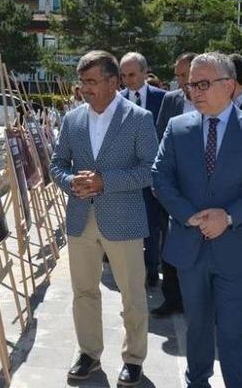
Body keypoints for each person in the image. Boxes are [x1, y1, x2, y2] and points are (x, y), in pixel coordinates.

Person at [152, 52, 242, 388]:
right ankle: (197, 381)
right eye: (191, 84)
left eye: (203, 84)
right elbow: (160, 178)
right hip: (190, 247)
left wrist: (229, 216)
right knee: (196, 326)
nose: (194, 91)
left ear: (229, 85)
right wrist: (188, 215)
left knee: (235, 330)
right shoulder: (178, 128)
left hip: (236, 250)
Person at [50, 50, 158, 386]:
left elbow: (150, 170)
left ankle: (134, 358)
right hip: (81, 218)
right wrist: (71, 181)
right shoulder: (73, 119)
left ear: (113, 82)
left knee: (132, 295)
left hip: (124, 219)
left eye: (91, 81)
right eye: (82, 82)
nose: (85, 88)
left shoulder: (138, 118)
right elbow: (57, 164)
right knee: (83, 291)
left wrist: (104, 181)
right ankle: (88, 354)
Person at [151, 51, 197, 318]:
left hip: (205, 190)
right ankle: (172, 298)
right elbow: (160, 140)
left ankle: (200, 302)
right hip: (173, 190)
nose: (180, 81)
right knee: (170, 244)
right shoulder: (171, 100)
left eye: (185, 75)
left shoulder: (218, 100)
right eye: (178, 75)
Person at [119, 52, 166, 288]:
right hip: (126, 174)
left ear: (145, 73)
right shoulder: (116, 101)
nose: (128, 80)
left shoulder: (163, 98)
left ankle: (152, 266)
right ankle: (132, 267)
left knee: (152, 222)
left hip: (155, 173)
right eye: (123, 75)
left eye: (132, 74)